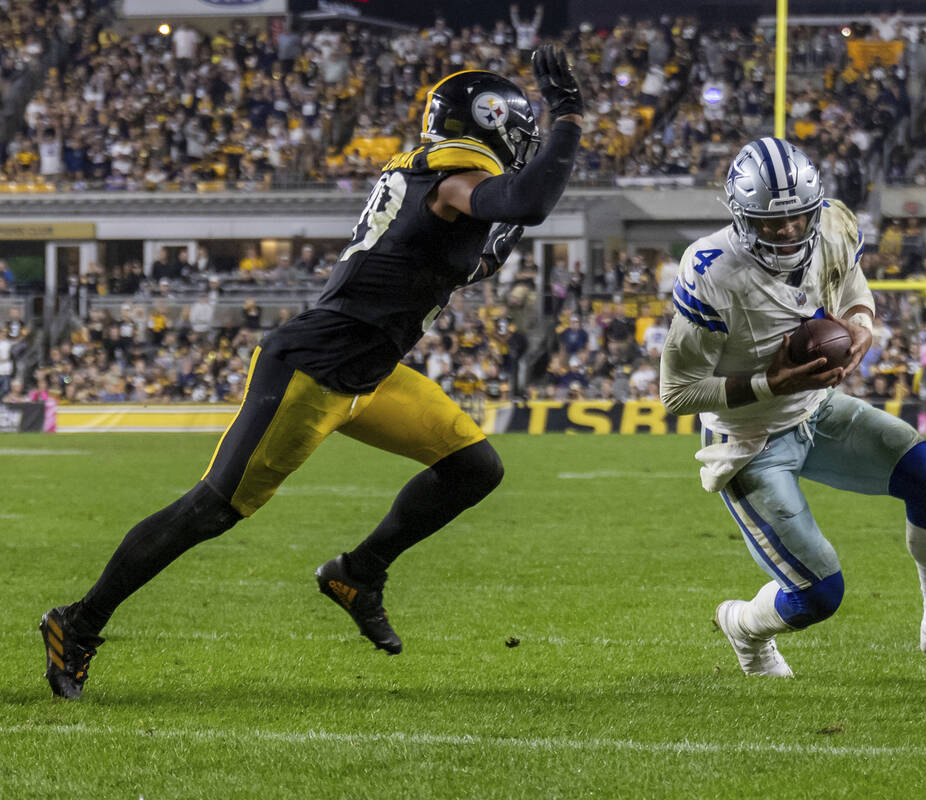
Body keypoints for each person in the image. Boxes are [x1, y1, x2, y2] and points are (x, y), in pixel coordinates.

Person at [39, 46, 585, 699]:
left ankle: (358, 573)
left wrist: (536, 179)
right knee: (212, 508)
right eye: (515, 132)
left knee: (473, 468)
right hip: (318, 366)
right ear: (485, 123)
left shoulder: (435, 180)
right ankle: (77, 623)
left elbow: (491, 241)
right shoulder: (452, 175)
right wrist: (569, 118)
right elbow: (524, 202)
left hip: (370, 370)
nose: (521, 145)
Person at [659, 137, 926, 678]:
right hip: (748, 441)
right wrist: (772, 380)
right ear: (741, 217)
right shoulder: (712, 269)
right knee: (818, 596)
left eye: (796, 217)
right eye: (770, 222)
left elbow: (852, 283)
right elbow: (677, 393)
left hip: (817, 411)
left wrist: (861, 323)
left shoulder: (832, 224)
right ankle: (744, 625)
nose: (787, 230)